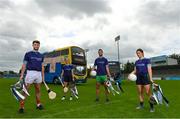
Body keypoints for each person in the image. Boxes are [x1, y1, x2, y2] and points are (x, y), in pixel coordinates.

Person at [19, 40, 44, 113]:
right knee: (25, 91)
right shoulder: (28, 54)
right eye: (35, 45)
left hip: (38, 74)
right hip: (30, 73)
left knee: (38, 90)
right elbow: (24, 65)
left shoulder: (41, 56)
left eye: (38, 45)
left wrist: (43, 77)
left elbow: (42, 67)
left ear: (39, 46)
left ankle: (38, 104)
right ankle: (22, 107)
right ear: (33, 45)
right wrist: (21, 75)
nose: (36, 46)